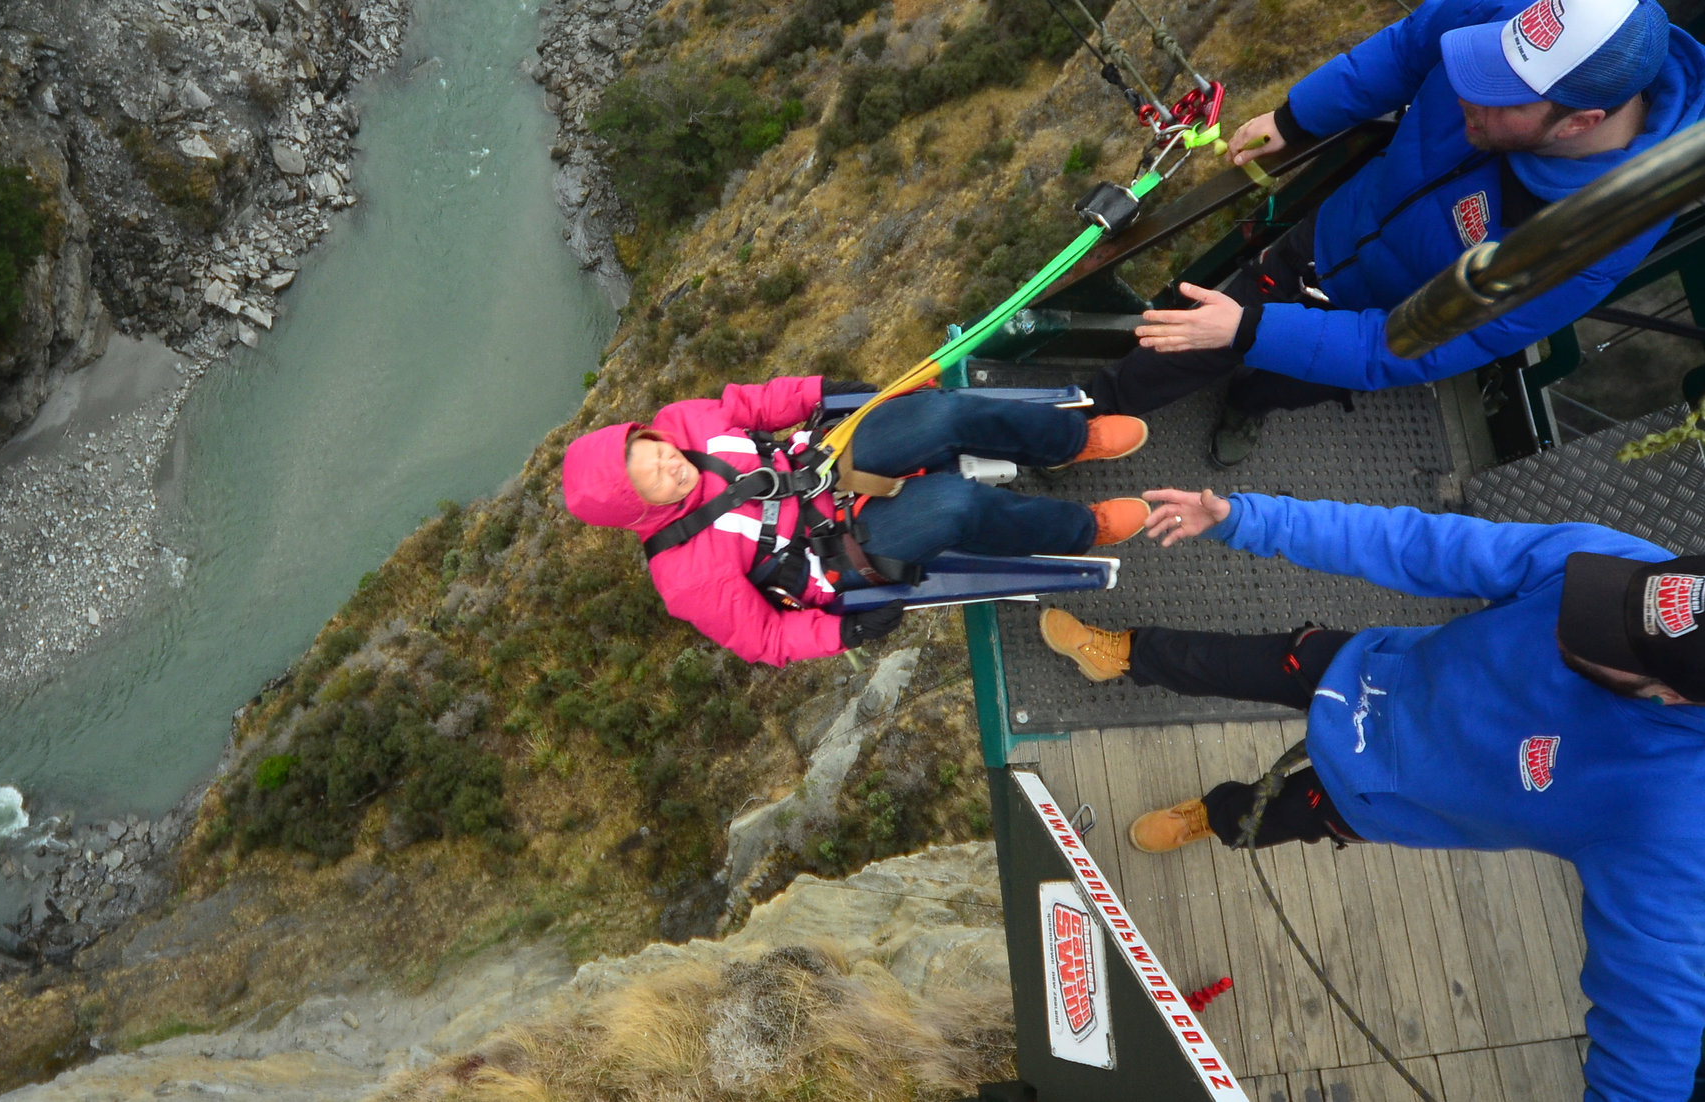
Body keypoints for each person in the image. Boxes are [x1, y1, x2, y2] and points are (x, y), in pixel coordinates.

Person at [1037, 487, 1705, 1098]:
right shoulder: (1623, 575)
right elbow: (1423, 543)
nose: (1582, 612)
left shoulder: (1672, 819)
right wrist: (1247, 519)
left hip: (1379, 796)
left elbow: (1653, 1032)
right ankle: (1120, 653)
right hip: (1365, 673)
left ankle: (1211, 818)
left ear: (1673, 693)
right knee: (1224, 660)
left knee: (1264, 819)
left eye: (1608, 638)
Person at [1086, 0, 1705, 467]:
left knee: (1292, 373)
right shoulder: (1528, 21)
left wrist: (1252, 330)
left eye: (1499, 97)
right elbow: (1412, 47)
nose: (1466, 91)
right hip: (1332, 234)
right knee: (1201, 335)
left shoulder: (1586, 241)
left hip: (1393, 313)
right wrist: (1298, 115)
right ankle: (1093, 411)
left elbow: (1411, 347)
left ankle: (1250, 403)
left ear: (1580, 124)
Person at [560, 376, 1151, 667]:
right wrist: (842, 634)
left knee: (939, 416)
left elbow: (755, 405)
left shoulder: (685, 422)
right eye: (655, 478)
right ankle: (1083, 528)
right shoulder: (686, 576)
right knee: (954, 507)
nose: (671, 464)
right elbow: (765, 639)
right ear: (640, 508)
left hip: (822, 460)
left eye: (658, 449)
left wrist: (818, 391)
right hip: (837, 550)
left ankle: (1071, 440)